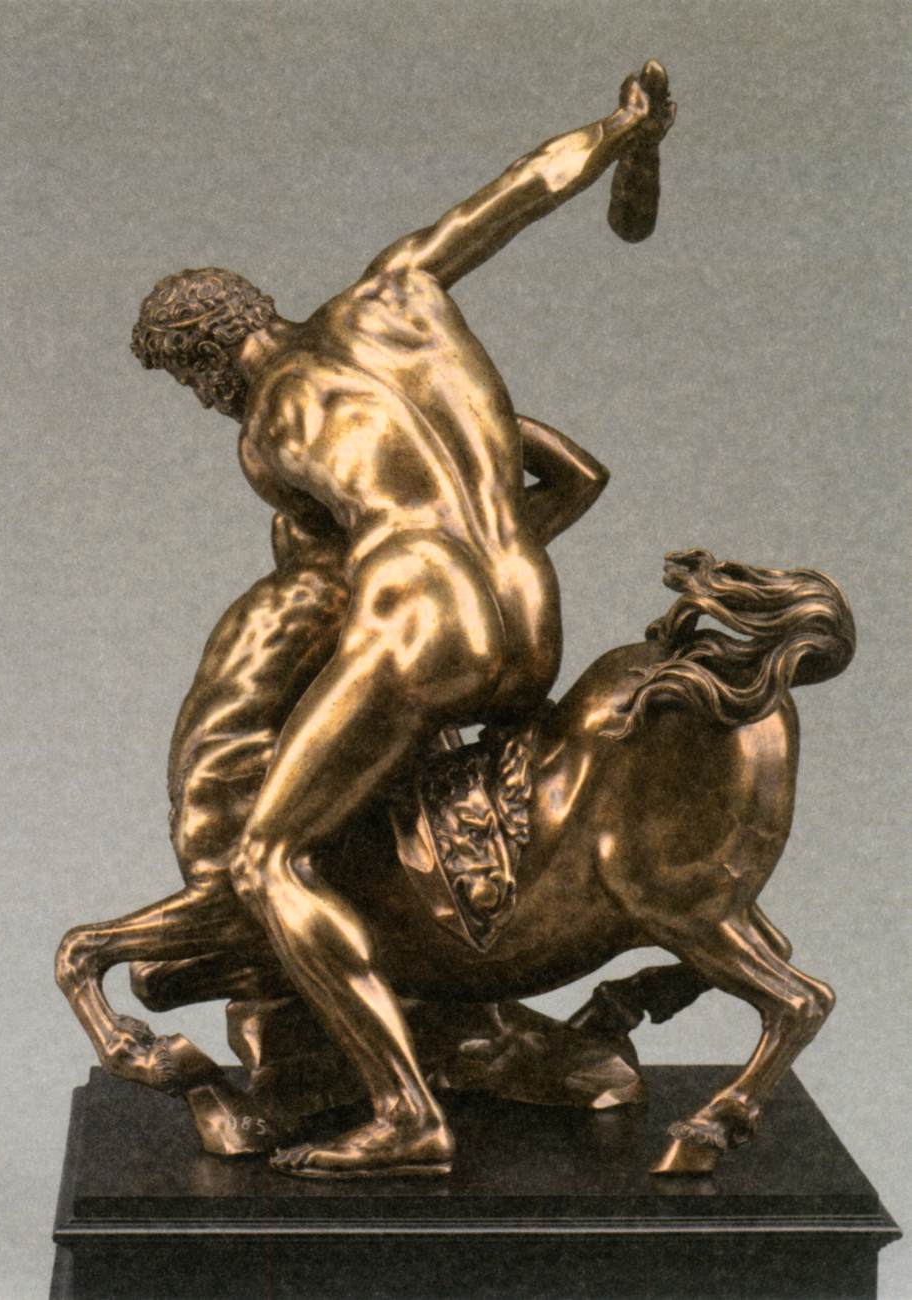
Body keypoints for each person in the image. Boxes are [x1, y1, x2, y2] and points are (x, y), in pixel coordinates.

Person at [131, 63, 674, 1176]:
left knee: (268, 857)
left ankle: (405, 1112)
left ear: (200, 360)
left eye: (190, 381)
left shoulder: (265, 441)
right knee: (411, 794)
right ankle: (470, 1013)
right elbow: (521, 189)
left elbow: (322, 597)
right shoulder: (394, 292)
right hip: (529, 615)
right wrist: (624, 129)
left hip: (420, 621)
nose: (203, 399)